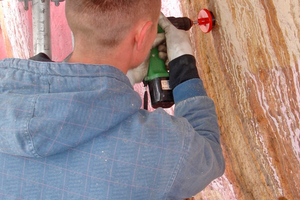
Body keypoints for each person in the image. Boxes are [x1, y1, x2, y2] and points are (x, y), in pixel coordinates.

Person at [0, 0, 225, 199]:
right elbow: (208, 154)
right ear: (143, 35)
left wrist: (117, 80)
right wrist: (184, 67)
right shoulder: (154, 151)